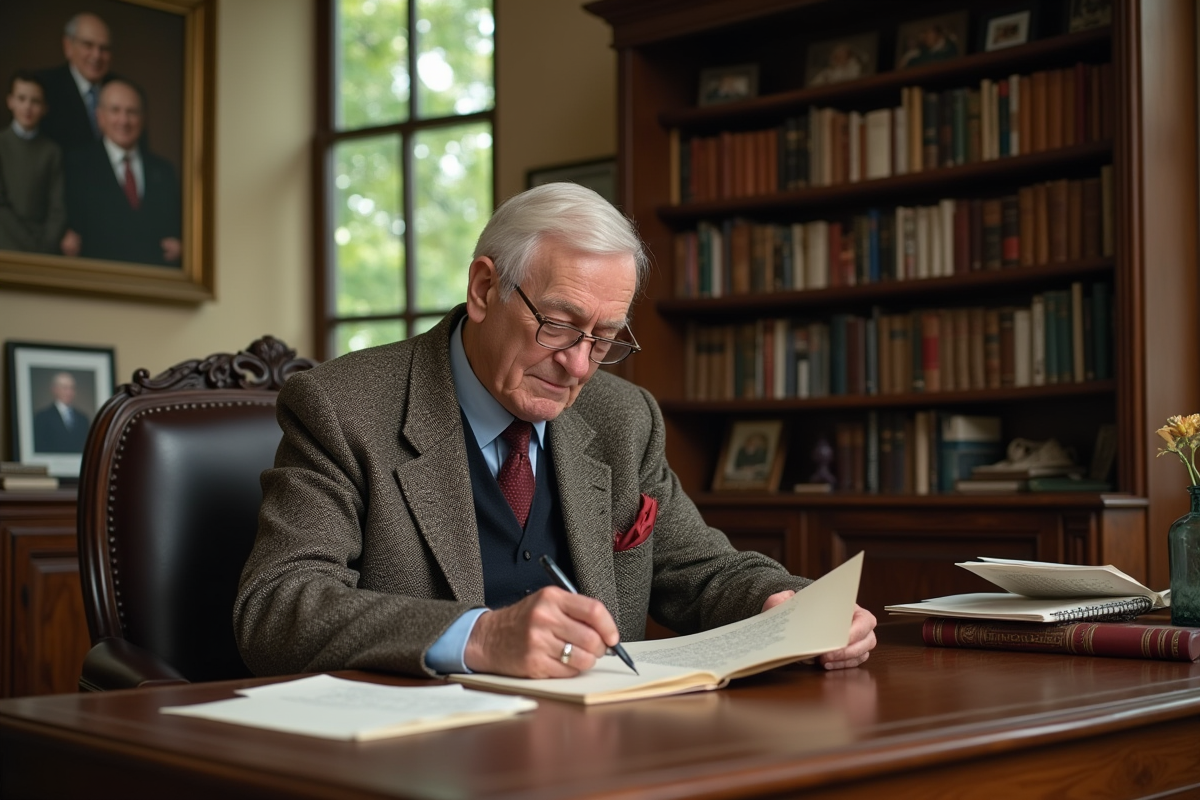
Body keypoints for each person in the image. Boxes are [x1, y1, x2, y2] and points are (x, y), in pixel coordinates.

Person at [234, 183, 877, 681]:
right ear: (485, 288)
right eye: (561, 325)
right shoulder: (343, 407)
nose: (577, 365)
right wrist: (480, 636)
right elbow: (277, 605)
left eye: (603, 339)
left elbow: (702, 570)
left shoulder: (623, 417)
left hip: (602, 749)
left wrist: (790, 606)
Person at [63, 79, 181, 266]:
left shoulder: (164, 171)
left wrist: (183, 246)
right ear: (99, 117)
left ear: (143, 119)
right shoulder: (77, 166)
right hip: (97, 279)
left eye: (132, 112)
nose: (124, 121)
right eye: (115, 110)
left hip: (152, 281)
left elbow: (178, 229)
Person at [0, 71, 68, 254]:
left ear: (45, 108)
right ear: (10, 102)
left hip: (42, 249)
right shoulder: (2, 144)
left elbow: (58, 208)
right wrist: (30, 244)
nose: (27, 107)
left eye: (35, 101)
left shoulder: (52, 151)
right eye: (21, 99)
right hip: (5, 245)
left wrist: (45, 245)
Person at [36, 13, 113, 155]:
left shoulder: (122, 90)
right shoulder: (43, 86)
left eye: (104, 48)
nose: (96, 55)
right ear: (68, 46)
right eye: (88, 45)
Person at [32, 371, 90, 454]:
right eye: (65, 388)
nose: (69, 392)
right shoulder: (42, 417)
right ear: (55, 390)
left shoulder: (83, 418)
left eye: (72, 388)